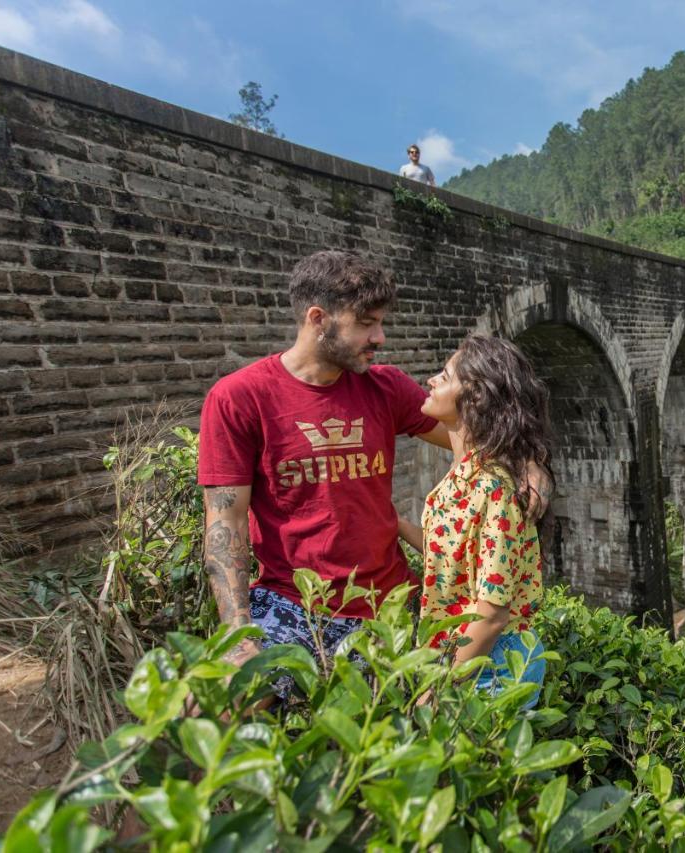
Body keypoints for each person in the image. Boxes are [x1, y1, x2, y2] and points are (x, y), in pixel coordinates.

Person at [197, 251, 549, 703]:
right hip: (290, 602)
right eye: (366, 323)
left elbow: (485, 433)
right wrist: (237, 631)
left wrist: (531, 467)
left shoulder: (386, 388)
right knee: (231, 701)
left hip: (389, 608)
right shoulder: (239, 398)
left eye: (380, 322)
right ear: (318, 319)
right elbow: (224, 522)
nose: (379, 337)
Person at [398, 334, 550, 709]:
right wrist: (394, 524)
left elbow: (493, 612)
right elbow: (453, 557)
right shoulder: (463, 473)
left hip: (493, 662)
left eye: (444, 376)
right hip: (462, 650)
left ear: (475, 398)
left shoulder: (493, 487)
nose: (431, 380)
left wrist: (443, 686)